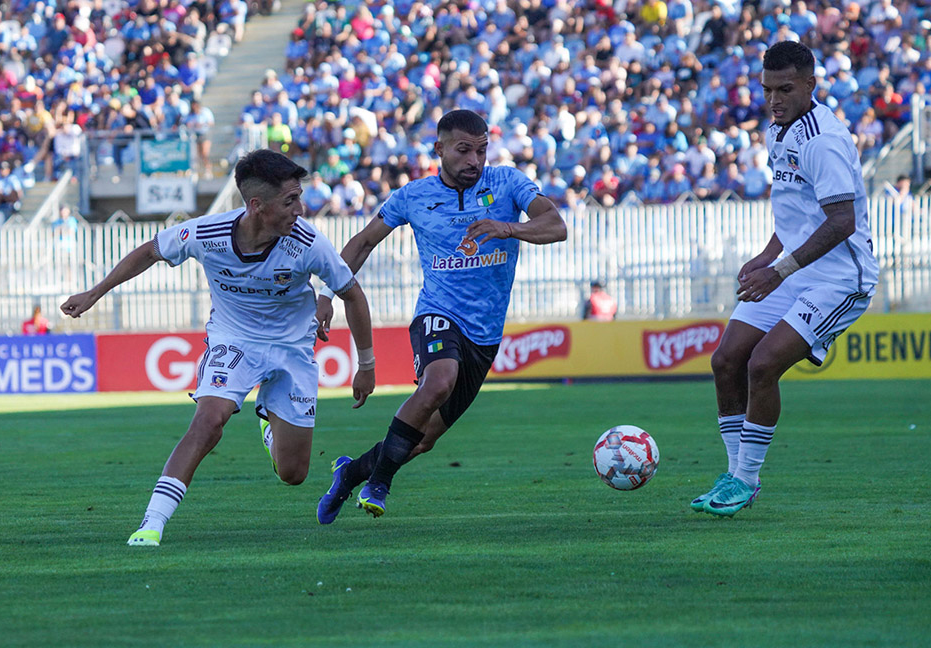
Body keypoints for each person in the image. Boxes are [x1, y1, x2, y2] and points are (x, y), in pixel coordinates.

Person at [60, 150, 376, 546]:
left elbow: (354, 295)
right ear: (256, 205)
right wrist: (95, 292)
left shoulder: (308, 243)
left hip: (293, 347)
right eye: (291, 200)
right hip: (234, 339)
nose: (301, 208)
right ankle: (151, 524)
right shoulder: (207, 233)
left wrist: (366, 364)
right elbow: (149, 252)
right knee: (209, 422)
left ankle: (267, 422)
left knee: (293, 473)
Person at [314, 110, 566, 522]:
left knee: (423, 439)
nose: (474, 160)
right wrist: (327, 293)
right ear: (440, 149)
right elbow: (361, 244)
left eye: (481, 150)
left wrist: (508, 228)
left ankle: (351, 473)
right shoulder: (413, 196)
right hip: (438, 312)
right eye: (464, 150)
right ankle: (379, 483)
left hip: (485, 335)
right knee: (439, 380)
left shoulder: (507, 184)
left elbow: (556, 225)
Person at [691, 41, 879, 517]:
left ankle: (745, 479)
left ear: (811, 86)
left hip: (839, 279)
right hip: (791, 270)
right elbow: (796, 211)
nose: (774, 99)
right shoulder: (779, 132)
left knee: (762, 365)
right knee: (726, 360)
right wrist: (766, 255)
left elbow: (841, 222)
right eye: (767, 89)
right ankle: (735, 477)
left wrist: (779, 270)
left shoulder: (825, 141)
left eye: (785, 89)